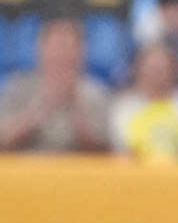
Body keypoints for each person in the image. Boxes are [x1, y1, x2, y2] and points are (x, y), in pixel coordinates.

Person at [0, 16, 110, 153]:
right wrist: (41, 108)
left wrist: (73, 108)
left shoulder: (96, 93)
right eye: (56, 47)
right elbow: (4, 142)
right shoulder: (18, 88)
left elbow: (103, 151)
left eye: (69, 48)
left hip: (76, 165)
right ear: (41, 48)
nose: (62, 55)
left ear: (82, 52)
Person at [109, 41, 178, 160]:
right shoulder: (124, 108)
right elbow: (122, 155)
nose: (156, 75)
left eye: (161, 69)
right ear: (138, 69)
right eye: (151, 69)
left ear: (173, 71)